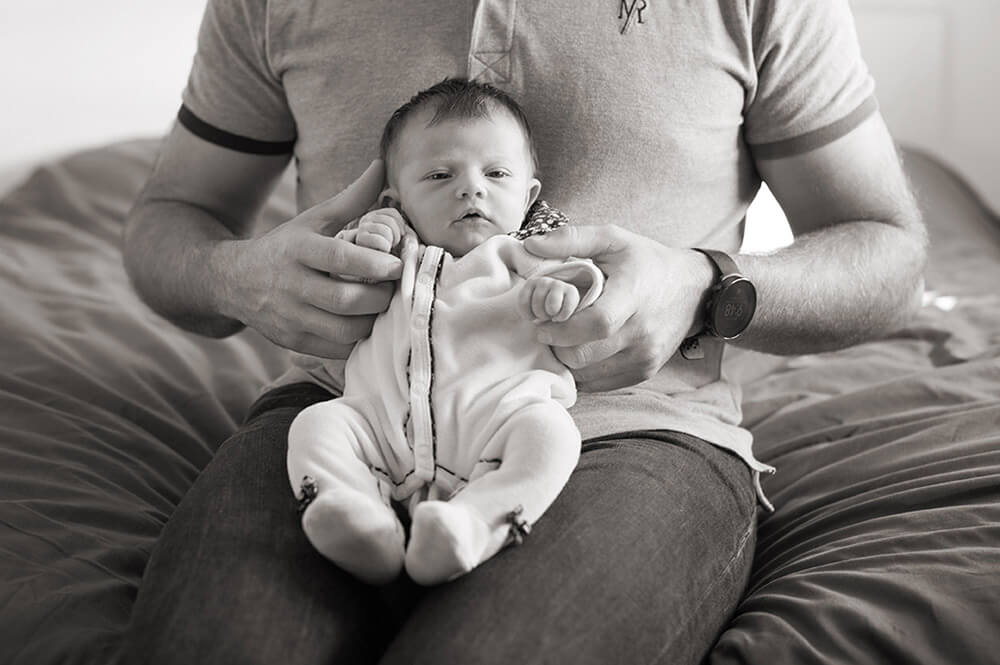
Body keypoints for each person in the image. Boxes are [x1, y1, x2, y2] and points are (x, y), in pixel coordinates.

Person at [120, 2, 927, 664]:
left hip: (634, 430)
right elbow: (170, 221)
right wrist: (236, 276)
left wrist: (703, 284)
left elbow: (889, 252)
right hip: (348, 405)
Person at [288, 78, 604, 586]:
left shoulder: (524, 254)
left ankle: (475, 524)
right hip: (382, 428)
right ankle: (358, 518)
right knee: (317, 425)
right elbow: (337, 282)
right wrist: (368, 239)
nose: (471, 188)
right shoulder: (393, 252)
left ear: (528, 196)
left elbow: (585, 278)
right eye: (439, 175)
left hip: (496, 422)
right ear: (398, 199)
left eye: (496, 173)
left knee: (551, 435)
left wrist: (565, 291)